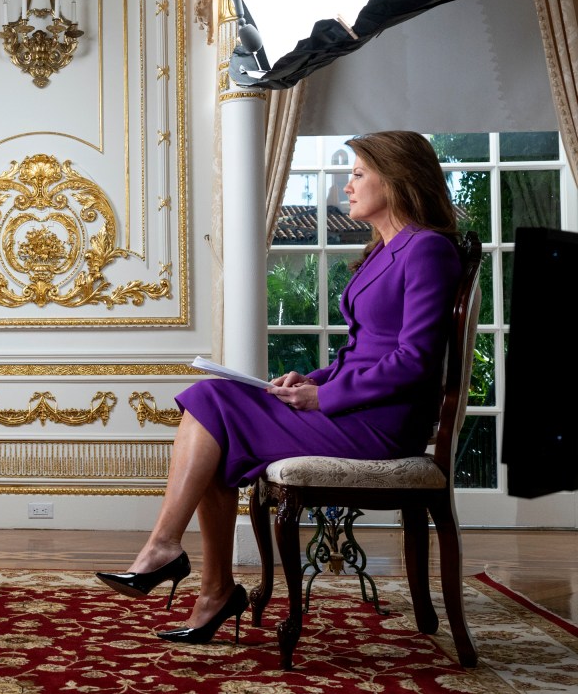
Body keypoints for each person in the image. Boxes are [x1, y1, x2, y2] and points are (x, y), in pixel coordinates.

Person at [96, 131, 462, 644]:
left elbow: (416, 362)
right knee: (215, 423)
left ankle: (170, 554)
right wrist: (311, 381)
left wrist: (324, 398)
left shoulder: (427, 249)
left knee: (209, 401)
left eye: (358, 174)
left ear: (396, 180)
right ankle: (210, 589)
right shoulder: (383, 249)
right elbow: (361, 351)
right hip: (354, 408)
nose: (347, 185)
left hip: (383, 423)